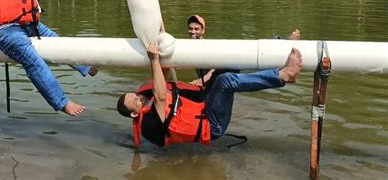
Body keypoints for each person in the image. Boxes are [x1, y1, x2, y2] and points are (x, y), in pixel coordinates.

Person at [117, 43, 302, 147]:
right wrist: (154, 59)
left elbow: (162, 82)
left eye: (135, 95)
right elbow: (161, 97)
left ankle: (276, 50)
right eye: (135, 101)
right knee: (225, 81)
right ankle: (283, 75)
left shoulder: (147, 98)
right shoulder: (149, 123)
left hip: (205, 105)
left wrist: (159, 48)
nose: (138, 97)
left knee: (226, 66)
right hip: (212, 125)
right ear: (134, 113)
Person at [187, 14, 300, 87]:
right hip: (214, 82)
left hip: (223, 74)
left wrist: (204, 79)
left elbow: (219, 64)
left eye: (196, 29)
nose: (193, 32)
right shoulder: (184, 47)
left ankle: (284, 45)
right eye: (191, 29)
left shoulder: (209, 45)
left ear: (203, 31)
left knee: (253, 57)